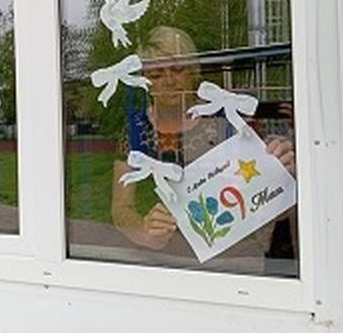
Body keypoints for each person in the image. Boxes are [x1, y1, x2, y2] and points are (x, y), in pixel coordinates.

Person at [111, 26, 297, 271]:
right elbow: (120, 208)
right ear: (144, 81)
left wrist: (281, 172)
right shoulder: (136, 130)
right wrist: (144, 231)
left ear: (193, 71)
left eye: (178, 69)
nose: (169, 80)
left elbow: (274, 203)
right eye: (156, 74)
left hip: (237, 262)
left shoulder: (228, 118)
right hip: (168, 264)